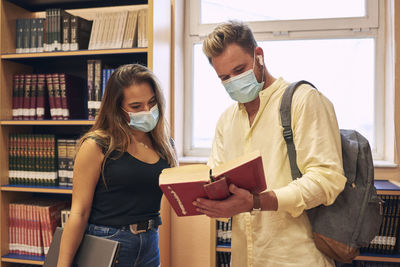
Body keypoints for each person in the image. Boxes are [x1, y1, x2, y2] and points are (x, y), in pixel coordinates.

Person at [193, 21, 347, 266]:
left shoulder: (304, 101)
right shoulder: (226, 120)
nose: (233, 81)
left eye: (240, 69)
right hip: (244, 258)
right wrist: (209, 195)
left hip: (297, 257)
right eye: (224, 77)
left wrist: (256, 202)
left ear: (259, 56)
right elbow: (217, 174)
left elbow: (327, 179)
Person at [57, 64, 177, 267]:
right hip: (108, 240)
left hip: (149, 241)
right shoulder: (97, 145)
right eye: (136, 107)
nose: (147, 111)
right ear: (117, 108)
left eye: (152, 102)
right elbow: (79, 212)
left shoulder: (165, 144)